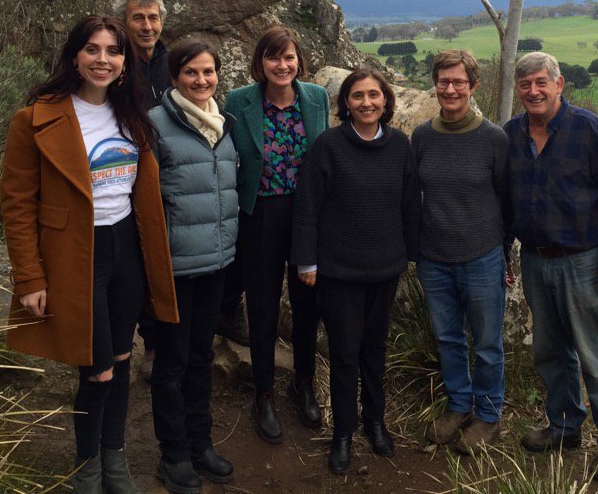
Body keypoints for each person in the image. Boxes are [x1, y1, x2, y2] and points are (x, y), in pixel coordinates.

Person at [0, 16, 178, 494]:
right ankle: (87, 469)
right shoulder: (35, 118)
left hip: (127, 248)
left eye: (113, 52)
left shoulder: (131, 113)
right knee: (96, 367)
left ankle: (114, 463)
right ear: (75, 57)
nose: (103, 60)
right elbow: (17, 205)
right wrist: (30, 278)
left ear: (124, 64)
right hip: (76, 253)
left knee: (120, 358)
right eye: (93, 50)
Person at [503, 52, 598, 482]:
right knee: (549, 352)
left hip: (585, 261)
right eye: (525, 84)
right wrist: (506, 250)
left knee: (596, 355)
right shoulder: (511, 134)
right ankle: (564, 426)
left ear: (560, 85)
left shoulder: (590, 130)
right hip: (535, 260)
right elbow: (507, 202)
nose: (533, 91)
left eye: (542, 82)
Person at [292, 66, 419, 476]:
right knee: (345, 352)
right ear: (345, 103)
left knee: (375, 350)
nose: (367, 103)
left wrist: (411, 254)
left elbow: (408, 206)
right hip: (338, 270)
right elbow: (308, 206)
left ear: (386, 101)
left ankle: (375, 422)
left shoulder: (401, 145)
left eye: (374, 95)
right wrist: (307, 261)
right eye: (358, 96)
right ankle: (343, 433)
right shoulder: (328, 146)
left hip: (384, 267)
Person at [223, 27, 329, 443]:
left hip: (307, 216)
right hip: (260, 214)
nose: (282, 66)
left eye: (289, 58)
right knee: (264, 307)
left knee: (307, 305)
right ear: (260, 63)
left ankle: (303, 382)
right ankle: (263, 391)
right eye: (273, 58)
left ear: (299, 60)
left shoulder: (316, 97)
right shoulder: (239, 101)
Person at [148, 39, 239, 493]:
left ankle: (201, 443)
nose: (201, 81)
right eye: (191, 73)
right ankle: (174, 453)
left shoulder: (222, 124)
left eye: (208, 72)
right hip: (175, 266)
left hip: (216, 263)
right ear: (174, 78)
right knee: (172, 361)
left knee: (201, 356)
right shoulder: (155, 125)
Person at [412, 50, 510, 454]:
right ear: (435, 84)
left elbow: (507, 200)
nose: (450, 89)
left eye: (458, 82)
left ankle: (488, 415)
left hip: (481, 256)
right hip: (433, 257)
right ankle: (458, 405)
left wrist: (505, 256)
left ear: (473, 87)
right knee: (449, 338)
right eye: (443, 81)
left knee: (486, 342)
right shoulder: (421, 136)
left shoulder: (493, 139)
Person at [112, 0, 174, 380]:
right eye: (138, 17)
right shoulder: (115, 63)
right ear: (124, 22)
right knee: (136, 258)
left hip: (171, 174)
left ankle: (165, 339)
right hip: (127, 175)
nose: (147, 25)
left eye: (153, 17)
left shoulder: (173, 62)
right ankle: (144, 342)